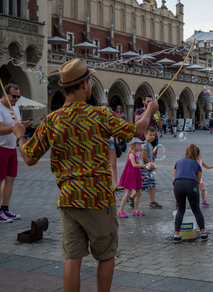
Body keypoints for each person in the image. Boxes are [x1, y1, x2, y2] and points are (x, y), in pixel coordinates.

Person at [12, 58, 158, 291]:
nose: (90, 84)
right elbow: (138, 130)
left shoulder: (52, 120)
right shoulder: (100, 115)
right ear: (84, 85)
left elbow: (29, 157)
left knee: (73, 257)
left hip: (69, 198)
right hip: (98, 198)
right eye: (90, 80)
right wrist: (149, 110)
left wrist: (20, 135)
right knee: (106, 255)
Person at [0, 83, 32, 223]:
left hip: (12, 146)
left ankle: (5, 208)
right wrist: (15, 128)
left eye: (18, 97)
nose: (16, 99)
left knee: (10, 179)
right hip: (1, 147)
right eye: (14, 96)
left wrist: (22, 125)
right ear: (5, 94)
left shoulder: (15, 107)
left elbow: (15, 126)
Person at [173, 144, 208, 243]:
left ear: (185, 154)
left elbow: (175, 179)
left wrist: (176, 199)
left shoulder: (178, 162)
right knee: (196, 210)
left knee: (180, 210)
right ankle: (203, 234)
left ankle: (176, 235)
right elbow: (197, 181)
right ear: (197, 156)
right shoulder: (197, 164)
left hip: (178, 185)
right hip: (191, 185)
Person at [117, 138, 152, 218]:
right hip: (130, 176)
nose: (141, 147)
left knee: (139, 193)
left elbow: (136, 168)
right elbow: (134, 165)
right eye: (139, 145)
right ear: (133, 146)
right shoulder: (132, 155)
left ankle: (136, 211)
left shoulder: (136, 154)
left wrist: (140, 176)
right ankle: (120, 211)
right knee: (128, 194)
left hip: (136, 175)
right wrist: (145, 165)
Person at [129, 127, 162, 209]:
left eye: (153, 135)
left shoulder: (150, 145)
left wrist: (152, 165)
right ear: (145, 135)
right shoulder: (144, 144)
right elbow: (143, 156)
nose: (152, 136)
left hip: (149, 168)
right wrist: (151, 164)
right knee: (143, 186)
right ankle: (131, 198)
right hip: (143, 168)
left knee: (152, 185)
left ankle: (152, 202)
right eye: (150, 135)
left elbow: (150, 157)